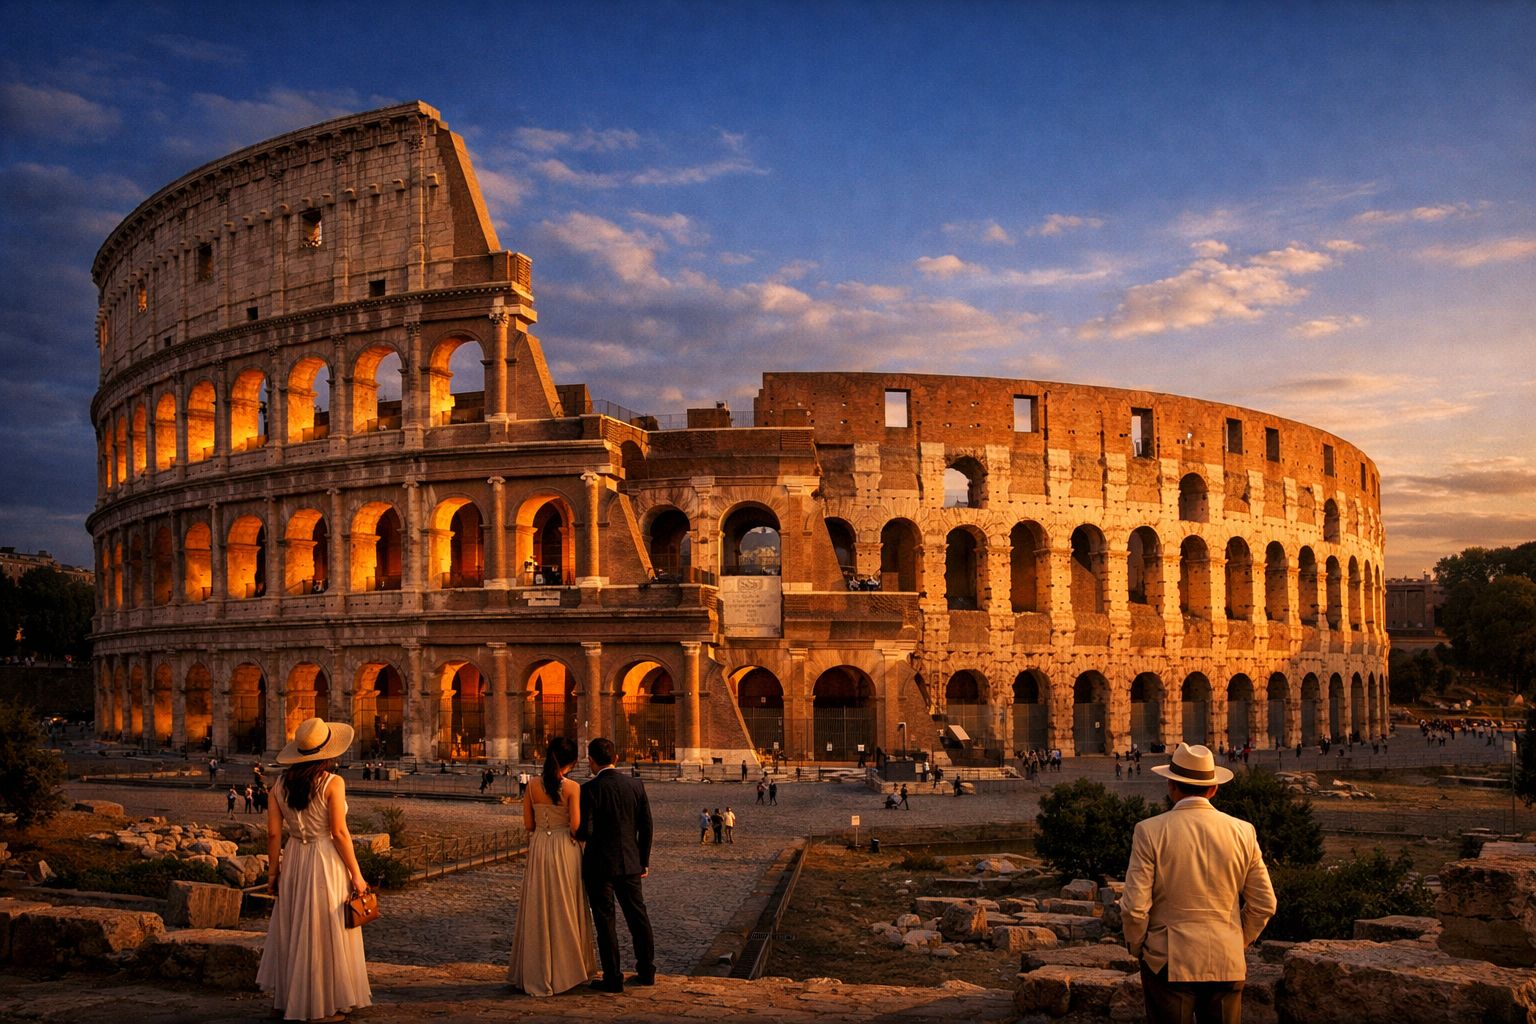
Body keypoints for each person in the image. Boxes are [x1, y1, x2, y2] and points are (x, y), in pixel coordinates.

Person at [1120, 743, 1276, 1024]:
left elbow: (1134, 908)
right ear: (1213, 788)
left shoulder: (1149, 831)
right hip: (1226, 960)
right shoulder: (1243, 831)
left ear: (1171, 785)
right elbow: (1265, 904)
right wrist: (1236, 941)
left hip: (1168, 960)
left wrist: (1139, 948)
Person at [257, 717, 371, 1022]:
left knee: (293, 928)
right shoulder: (333, 783)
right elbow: (339, 833)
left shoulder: (278, 786)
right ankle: (320, 1006)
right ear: (327, 753)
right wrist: (357, 875)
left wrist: (273, 874)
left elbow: (273, 835)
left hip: (295, 856)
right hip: (325, 859)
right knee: (324, 929)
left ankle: (287, 1001)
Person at [507, 737, 598, 996]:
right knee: (565, 904)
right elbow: (575, 827)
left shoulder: (532, 785)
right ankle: (568, 970)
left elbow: (528, 825)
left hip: (540, 847)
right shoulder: (572, 788)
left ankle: (536, 970)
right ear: (573, 762)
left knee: (538, 905)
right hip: (565, 846)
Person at [574, 737, 655, 994]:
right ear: (616, 759)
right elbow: (647, 827)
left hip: (599, 865)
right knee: (638, 917)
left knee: (605, 921)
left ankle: (613, 977)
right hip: (630, 862)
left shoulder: (589, 789)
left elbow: (585, 831)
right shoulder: (636, 785)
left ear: (591, 761)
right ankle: (647, 972)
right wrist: (643, 861)